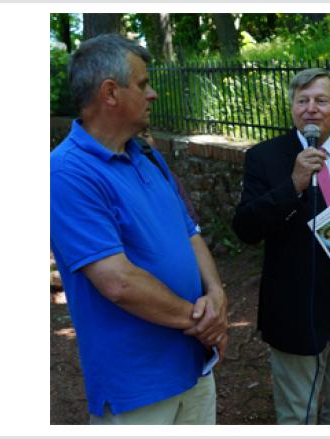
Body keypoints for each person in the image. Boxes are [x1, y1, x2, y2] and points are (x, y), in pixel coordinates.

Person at [50, 34, 228, 424]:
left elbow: (190, 233)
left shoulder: (145, 156)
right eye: (144, 84)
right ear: (110, 93)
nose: (154, 94)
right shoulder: (66, 172)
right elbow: (118, 282)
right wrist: (202, 322)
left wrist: (216, 293)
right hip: (138, 385)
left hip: (194, 368)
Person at [232, 68, 330, 424]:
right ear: (291, 107)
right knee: (298, 415)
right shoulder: (265, 157)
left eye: (321, 100)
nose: (311, 109)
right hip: (295, 306)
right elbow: (246, 228)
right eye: (302, 100)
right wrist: (293, 184)